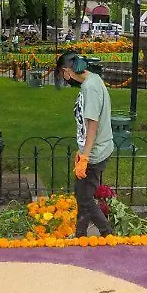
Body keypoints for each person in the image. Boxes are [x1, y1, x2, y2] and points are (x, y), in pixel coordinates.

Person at [56, 51, 115, 238]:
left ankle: (107, 233)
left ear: (67, 71)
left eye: (62, 75)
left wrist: (85, 156)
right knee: (81, 193)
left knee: (85, 198)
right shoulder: (93, 80)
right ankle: (80, 234)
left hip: (95, 153)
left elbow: (92, 125)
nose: (64, 79)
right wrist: (82, 150)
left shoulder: (90, 88)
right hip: (91, 150)